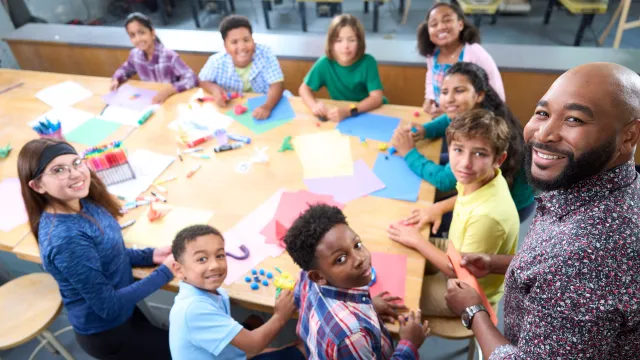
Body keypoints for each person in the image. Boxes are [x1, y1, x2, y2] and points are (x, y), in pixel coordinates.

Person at [444, 63, 640, 359]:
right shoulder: (591, 187)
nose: (543, 134)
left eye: (574, 119)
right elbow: (553, 273)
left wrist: (474, 312)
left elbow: (568, 271)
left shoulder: (584, 260)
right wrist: (498, 262)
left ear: (629, 137)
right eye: (543, 113)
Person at [17, 139, 175, 360]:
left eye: (76, 162)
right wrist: (166, 272)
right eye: (58, 170)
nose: (75, 174)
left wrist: (149, 255)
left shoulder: (82, 201)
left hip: (125, 312)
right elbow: (108, 306)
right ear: (38, 185)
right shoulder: (66, 240)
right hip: (109, 332)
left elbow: (107, 252)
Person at [388, 109, 519, 316]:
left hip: (469, 289)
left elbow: (457, 270)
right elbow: (464, 194)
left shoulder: (487, 217)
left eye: (479, 153)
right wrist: (437, 207)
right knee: (396, 254)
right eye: (458, 150)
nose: (465, 163)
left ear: (499, 159)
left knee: (398, 295)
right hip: (455, 249)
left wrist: (418, 241)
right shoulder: (483, 177)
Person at [391, 62, 534, 229]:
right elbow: (449, 119)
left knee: (424, 223)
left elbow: (443, 180)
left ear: (479, 95)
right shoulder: (477, 111)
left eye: (459, 91)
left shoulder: (488, 129)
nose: (450, 98)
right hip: (484, 187)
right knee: (436, 171)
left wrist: (409, 152)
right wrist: (425, 131)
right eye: (444, 92)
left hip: (510, 207)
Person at [284, 204, 430, 359]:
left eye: (357, 245)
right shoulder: (352, 337)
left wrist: (367, 306)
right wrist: (409, 343)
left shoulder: (307, 278)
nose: (360, 258)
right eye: (340, 259)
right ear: (318, 277)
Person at [169, 224, 305, 359]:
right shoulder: (194, 309)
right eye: (202, 259)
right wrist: (281, 316)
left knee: (256, 321)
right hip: (244, 348)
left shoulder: (206, 292)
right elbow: (254, 345)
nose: (215, 265)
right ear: (179, 270)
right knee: (304, 350)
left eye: (220, 255)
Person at [417, 3, 504, 116]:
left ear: (460, 24)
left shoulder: (475, 53)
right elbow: (430, 79)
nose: (441, 27)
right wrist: (430, 99)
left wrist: (449, 112)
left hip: (473, 121)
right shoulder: (432, 55)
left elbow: (496, 95)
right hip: (444, 118)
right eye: (434, 24)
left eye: (447, 20)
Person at [299, 14, 386, 122]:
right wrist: (314, 106)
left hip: (370, 111)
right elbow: (304, 89)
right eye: (339, 40)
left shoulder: (368, 62)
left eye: (352, 40)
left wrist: (348, 111)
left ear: (360, 43)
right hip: (343, 117)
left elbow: (377, 98)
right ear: (331, 43)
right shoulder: (324, 63)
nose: (345, 46)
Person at [199, 15, 284, 120]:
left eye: (246, 40)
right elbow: (201, 80)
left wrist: (267, 107)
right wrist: (214, 89)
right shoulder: (216, 61)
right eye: (234, 42)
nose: (242, 47)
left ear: (253, 40)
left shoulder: (265, 53)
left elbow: (277, 85)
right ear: (225, 46)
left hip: (266, 103)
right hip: (231, 109)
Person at [111, 12, 198, 104]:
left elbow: (192, 78)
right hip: (150, 100)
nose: (138, 39)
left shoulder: (168, 56)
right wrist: (116, 78)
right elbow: (125, 69)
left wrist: (169, 91)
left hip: (171, 101)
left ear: (152, 33)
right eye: (133, 35)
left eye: (142, 33)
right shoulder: (135, 55)